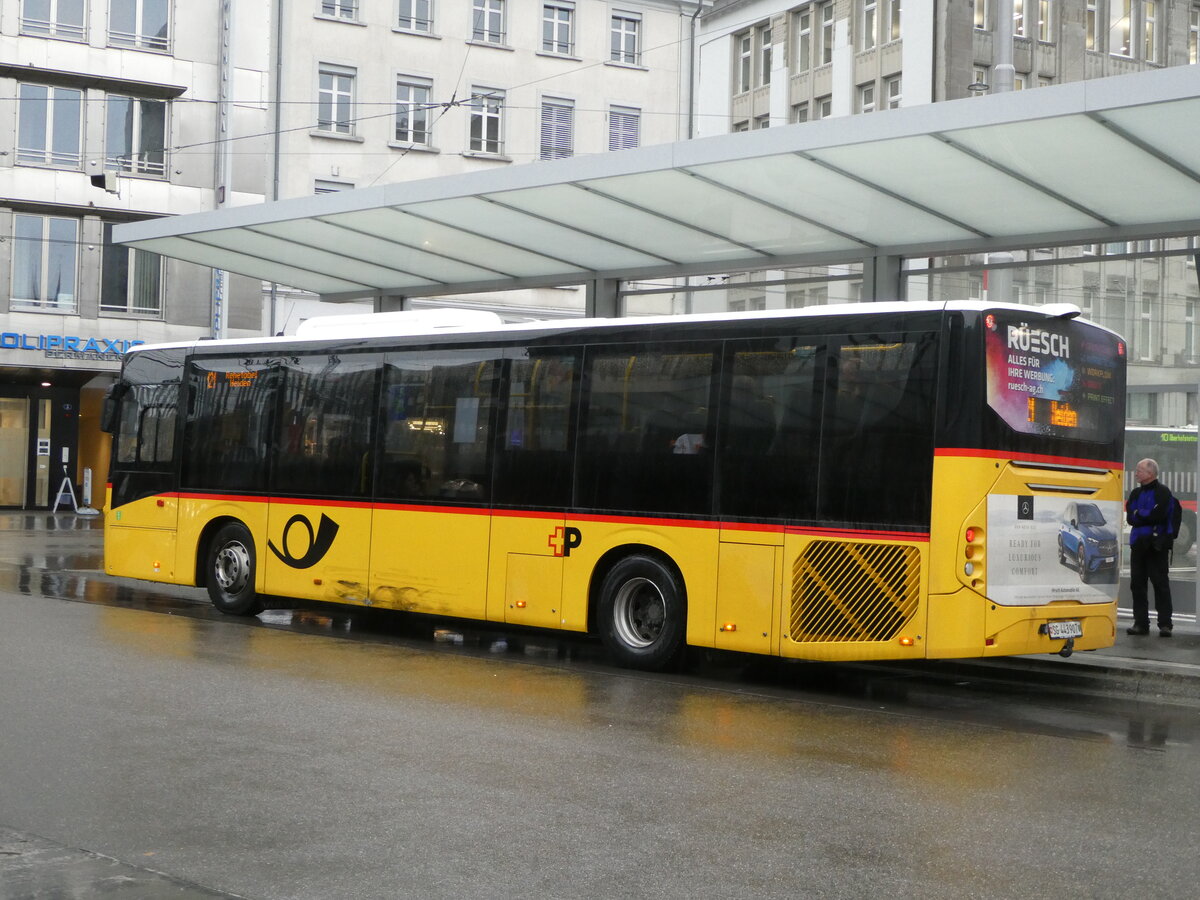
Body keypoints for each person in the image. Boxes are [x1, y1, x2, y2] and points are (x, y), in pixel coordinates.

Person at [1125, 457, 1175, 637]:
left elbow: (1159, 515)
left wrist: (1140, 514)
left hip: (1156, 545)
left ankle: (1165, 624)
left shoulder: (1163, 492)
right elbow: (1130, 517)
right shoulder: (1135, 493)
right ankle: (1140, 623)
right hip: (1138, 544)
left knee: (1160, 584)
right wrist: (1143, 514)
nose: (1135, 472)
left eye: (1139, 470)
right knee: (1137, 584)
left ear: (1150, 473)